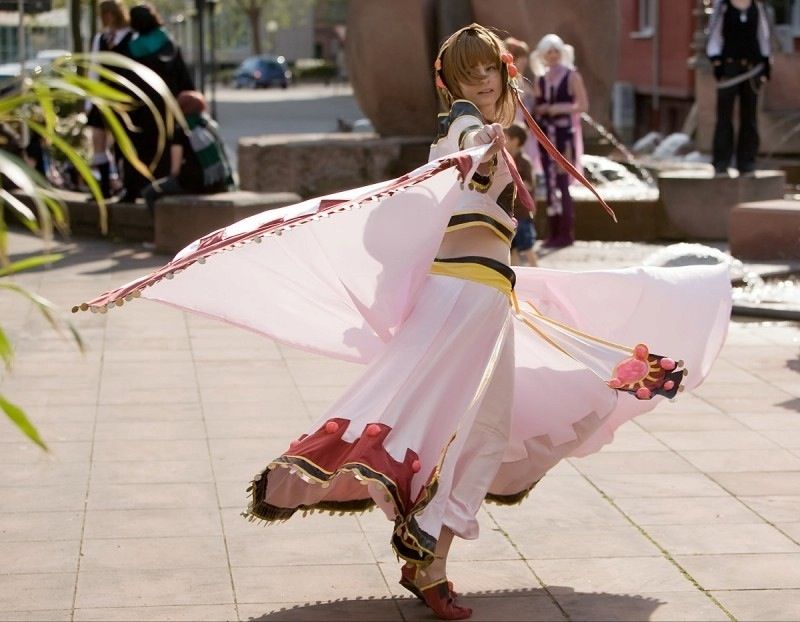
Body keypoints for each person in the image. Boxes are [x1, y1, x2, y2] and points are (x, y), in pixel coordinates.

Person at [75, 24, 731, 621]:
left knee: (477, 428)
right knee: (458, 427)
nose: (484, 81)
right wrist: (477, 147)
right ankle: (427, 556)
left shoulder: (482, 132)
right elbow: (464, 150)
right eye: (470, 74)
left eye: (490, 70)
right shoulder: (466, 132)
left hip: (484, 296)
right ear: (451, 84)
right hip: (465, 298)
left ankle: (428, 558)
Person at [120, 2, 193, 201]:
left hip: (140, 108)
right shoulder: (168, 42)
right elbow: (182, 76)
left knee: (138, 148)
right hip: (166, 106)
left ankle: (133, 190)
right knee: (164, 147)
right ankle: (160, 188)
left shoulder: (132, 48)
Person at [532, 34, 588, 248]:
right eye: (549, 52)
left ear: (562, 53)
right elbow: (537, 106)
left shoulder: (571, 76)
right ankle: (552, 232)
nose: (553, 55)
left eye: (556, 51)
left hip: (564, 134)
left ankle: (566, 233)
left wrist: (559, 108)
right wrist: (542, 108)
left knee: (562, 182)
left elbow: (583, 105)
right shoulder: (541, 78)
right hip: (546, 135)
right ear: (543, 55)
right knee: (549, 182)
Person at [141, 91, 234, 214]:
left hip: (192, 183)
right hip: (217, 182)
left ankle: (163, 225)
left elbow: (175, 170)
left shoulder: (182, 129)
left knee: (149, 193)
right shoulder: (209, 126)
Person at [706, 0, 771, 176]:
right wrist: (716, 60)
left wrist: (766, 61)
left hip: (751, 69)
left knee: (749, 117)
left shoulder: (757, 6)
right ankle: (721, 163)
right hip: (729, 68)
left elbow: (763, 35)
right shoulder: (722, 6)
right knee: (724, 117)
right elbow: (714, 35)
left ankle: (747, 163)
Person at [86, 0, 132, 197]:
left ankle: (123, 184)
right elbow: (94, 69)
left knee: (121, 143)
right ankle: (104, 186)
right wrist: (90, 100)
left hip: (123, 97)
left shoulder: (131, 36)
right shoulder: (101, 38)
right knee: (98, 139)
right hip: (102, 96)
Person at [504, 123, 538, 266]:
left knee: (527, 246)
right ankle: (516, 275)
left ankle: (537, 272)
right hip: (510, 213)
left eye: (506, 138)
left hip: (523, 213)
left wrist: (514, 182)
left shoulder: (524, 162)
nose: (503, 141)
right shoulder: (505, 159)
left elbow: (530, 184)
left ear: (515, 141)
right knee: (512, 249)